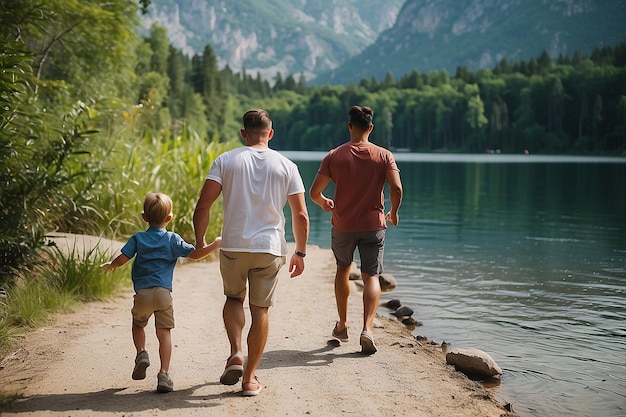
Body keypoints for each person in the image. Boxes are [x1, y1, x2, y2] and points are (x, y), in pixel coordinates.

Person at [193, 109, 309, 396]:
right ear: (271, 133)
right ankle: (249, 380)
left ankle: (235, 352)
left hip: (233, 245)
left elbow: (203, 205)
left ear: (243, 134)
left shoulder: (226, 160)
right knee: (261, 310)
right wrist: (301, 252)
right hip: (269, 249)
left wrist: (200, 242)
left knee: (233, 298)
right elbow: (301, 215)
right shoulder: (287, 165)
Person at [102, 192, 221, 393]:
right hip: (163, 294)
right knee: (164, 333)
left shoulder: (138, 238)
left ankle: (141, 353)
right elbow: (195, 254)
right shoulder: (172, 239)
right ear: (169, 218)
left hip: (142, 294)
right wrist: (214, 245)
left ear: (144, 217)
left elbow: (123, 258)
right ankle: (164, 374)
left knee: (138, 324)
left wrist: (112, 265)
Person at [309, 105, 402, 355]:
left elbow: (314, 193)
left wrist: (325, 202)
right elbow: (397, 189)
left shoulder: (334, 156)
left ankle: (342, 324)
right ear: (370, 128)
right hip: (373, 226)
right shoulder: (384, 156)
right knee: (371, 276)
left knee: (343, 270)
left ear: (349, 126)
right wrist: (393, 211)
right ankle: (368, 330)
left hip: (343, 225)